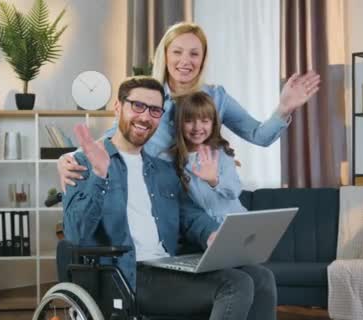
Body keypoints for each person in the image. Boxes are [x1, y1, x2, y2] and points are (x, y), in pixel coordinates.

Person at [64, 76, 277, 319]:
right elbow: (75, 233)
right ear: (118, 107)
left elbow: (191, 216)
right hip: (126, 276)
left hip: (167, 266)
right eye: (137, 106)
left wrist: (211, 234)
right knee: (234, 284)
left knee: (261, 277)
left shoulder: (163, 170)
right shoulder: (85, 163)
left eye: (155, 110)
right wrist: (100, 176)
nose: (145, 117)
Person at [58, 22, 320, 189]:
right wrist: (68, 157)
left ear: (203, 58)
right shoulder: (148, 97)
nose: (186, 61)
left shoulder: (217, 97)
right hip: (156, 196)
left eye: (194, 53)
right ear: (166, 55)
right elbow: (114, 139)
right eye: (177, 52)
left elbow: (259, 135)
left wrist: (284, 107)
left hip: (201, 197)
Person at [169, 91, 246, 223]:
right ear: (179, 123)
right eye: (189, 121)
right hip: (203, 229)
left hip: (236, 222)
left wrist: (214, 180)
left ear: (213, 124)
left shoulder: (221, 153)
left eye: (205, 121)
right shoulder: (172, 159)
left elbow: (234, 191)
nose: (197, 127)